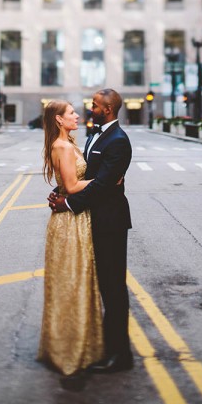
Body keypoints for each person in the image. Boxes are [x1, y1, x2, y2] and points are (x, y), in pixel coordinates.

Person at [49, 88, 133, 373]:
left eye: (95, 106)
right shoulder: (94, 134)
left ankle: (120, 354)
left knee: (113, 288)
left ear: (107, 110)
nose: (89, 108)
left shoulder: (118, 141)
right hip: (90, 220)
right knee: (97, 285)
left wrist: (68, 202)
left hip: (110, 223)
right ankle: (101, 345)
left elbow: (103, 184)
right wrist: (58, 191)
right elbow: (85, 175)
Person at [38, 100, 105, 376]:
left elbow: (64, 185)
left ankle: (77, 341)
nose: (77, 115)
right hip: (69, 222)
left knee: (76, 280)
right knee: (72, 281)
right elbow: (72, 185)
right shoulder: (62, 147)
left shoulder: (69, 143)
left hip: (76, 218)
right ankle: (68, 348)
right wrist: (105, 180)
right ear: (59, 120)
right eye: (71, 113)